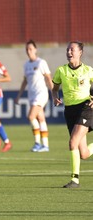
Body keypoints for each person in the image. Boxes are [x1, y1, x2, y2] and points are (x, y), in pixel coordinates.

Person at [52, 41, 93, 188]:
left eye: (72, 49)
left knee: (72, 142)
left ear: (80, 52)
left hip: (85, 107)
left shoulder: (88, 70)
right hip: (70, 111)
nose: (69, 52)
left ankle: (75, 180)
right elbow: (55, 88)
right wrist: (55, 96)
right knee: (84, 153)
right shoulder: (61, 71)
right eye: (67, 49)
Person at [15, 40, 53, 152]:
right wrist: (19, 95)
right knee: (40, 118)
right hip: (32, 95)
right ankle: (45, 145)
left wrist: (54, 93)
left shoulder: (41, 63)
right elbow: (25, 81)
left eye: (31, 49)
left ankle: (37, 143)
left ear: (35, 50)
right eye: (27, 49)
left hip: (41, 94)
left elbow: (48, 79)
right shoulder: (26, 65)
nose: (29, 51)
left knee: (31, 116)